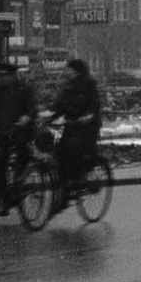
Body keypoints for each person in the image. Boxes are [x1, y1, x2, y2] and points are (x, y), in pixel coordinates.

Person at [0, 60, 37, 215]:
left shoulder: (24, 89)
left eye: (3, 76)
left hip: (21, 132)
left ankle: (18, 187)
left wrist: (26, 118)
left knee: (22, 158)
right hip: (3, 132)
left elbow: (32, 109)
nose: (0, 79)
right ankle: (4, 198)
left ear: (11, 76)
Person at [51, 58, 103, 206]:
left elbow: (94, 104)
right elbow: (59, 105)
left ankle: (82, 177)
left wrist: (88, 116)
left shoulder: (89, 85)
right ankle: (66, 187)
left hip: (88, 126)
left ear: (76, 71)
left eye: (69, 69)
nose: (66, 71)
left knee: (77, 149)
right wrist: (50, 115)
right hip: (72, 124)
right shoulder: (67, 87)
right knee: (60, 151)